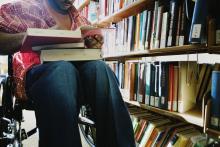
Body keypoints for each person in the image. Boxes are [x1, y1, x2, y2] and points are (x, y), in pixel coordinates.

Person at [0, 0, 135, 147]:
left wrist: (92, 46)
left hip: (78, 77)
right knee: (62, 70)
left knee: (100, 68)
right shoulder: (21, 9)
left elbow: (91, 58)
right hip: (39, 74)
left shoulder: (82, 20)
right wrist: (29, 36)